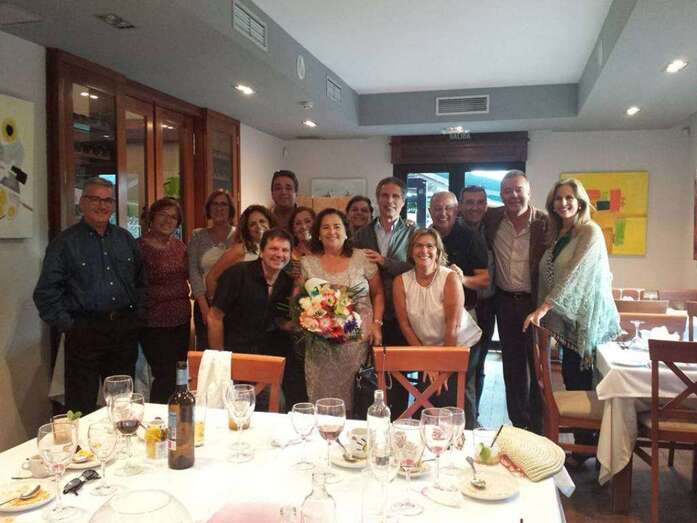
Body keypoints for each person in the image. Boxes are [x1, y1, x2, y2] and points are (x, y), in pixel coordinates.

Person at [523, 178, 620, 463]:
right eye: (558, 198)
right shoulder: (558, 235)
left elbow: (575, 274)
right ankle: (585, 444)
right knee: (572, 378)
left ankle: (598, 448)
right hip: (567, 321)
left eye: (569, 197)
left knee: (587, 381)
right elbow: (550, 275)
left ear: (580, 202)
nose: (563, 203)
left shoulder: (590, 231)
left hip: (587, 322)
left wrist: (544, 308)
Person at [33, 177, 146, 415]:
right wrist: (70, 326)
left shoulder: (125, 239)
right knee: (80, 404)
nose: (102, 205)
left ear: (113, 205)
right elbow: (45, 293)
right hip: (84, 331)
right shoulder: (65, 243)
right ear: (82, 203)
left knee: (122, 404)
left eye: (107, 200)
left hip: (123, 330)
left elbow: (141, 282)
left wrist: (137, 319)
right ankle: (83, 440)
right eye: (95, 199)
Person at [300, 208, 385, 416]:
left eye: (337, 226)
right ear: (318, 234)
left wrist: (376, 324)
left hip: (357, 340)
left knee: (355, 400)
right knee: (322, 406)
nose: (332, 232)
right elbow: (299, 299)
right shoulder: (307, 262)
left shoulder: (362, 258)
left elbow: (378, 294)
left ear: (346, 232)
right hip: (321, 346)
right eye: (325, 227)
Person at [483, 170, 548, 432]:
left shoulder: (545, 223)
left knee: (538, 365)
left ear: (529, 192)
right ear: (501, 195)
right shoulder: (492, 218)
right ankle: (519, 423)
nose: (513, 195)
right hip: (505, 302)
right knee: (512, 366)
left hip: (536, 304)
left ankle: (538, 427)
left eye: (518, 189)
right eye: (507, 190)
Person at [207, 229, 297, 409]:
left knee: (277, 404)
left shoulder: (286, 282)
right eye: (274, 249)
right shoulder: (237, 274)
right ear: (261, 251)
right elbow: (214, 317)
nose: (279, 254)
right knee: (233, 409)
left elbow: (277, 319)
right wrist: (219, 359)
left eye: (285, 250)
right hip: (235, 356)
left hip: (269, 359)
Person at [393, 228, 482, 407]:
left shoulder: (449, 278)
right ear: (411, 251)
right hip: (428, 349)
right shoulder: (400, 282)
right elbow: (405, 325)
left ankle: (466, 424)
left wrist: (443, 368)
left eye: (430, 246)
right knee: (428, 394)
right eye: (418, 245)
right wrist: (426, 361)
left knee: (451, 395)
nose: (424, 250)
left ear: (438, 252)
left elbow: (452, 326)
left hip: (460, 345)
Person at [352, 177, 414, 416]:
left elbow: (417, 268)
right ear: (377, 199)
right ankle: (373, 418)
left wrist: (385, 262)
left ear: (403, 201)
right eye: (385, 196)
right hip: (369, 314)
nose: (390, 201)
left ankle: (399, 419)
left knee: (400, 373)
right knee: (371, 371)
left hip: (402, 313)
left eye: (395, 196)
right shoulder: (361, 234)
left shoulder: (413, 233)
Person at [428, 191, 489, 427]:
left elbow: (484, 280)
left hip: (463, 318)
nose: (442, 213)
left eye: (448, 208)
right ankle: (432, 428)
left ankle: (469, 429)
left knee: (463, 381)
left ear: (457, 211)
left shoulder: (470, 238)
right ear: (430, 211)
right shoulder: (425, 236)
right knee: (432, 376)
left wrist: (461, 279)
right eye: (437, 208)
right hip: (431, 318)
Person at [138, 197, 190, 403]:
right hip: (154, 322)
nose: (168, 220)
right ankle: (159, 414)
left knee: (180, 373)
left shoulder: (180, 246)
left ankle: (178, 410)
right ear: (152, 217)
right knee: (164, 375)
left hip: (181, 319)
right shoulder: (139, 247)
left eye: (173, 217)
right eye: (163, 215)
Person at [460, 185, 497, 427]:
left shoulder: (493, 227)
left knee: (478, 363)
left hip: (488, 305)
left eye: (479, 202)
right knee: (461, 365)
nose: (475, 207)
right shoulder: (454, 230)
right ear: (461, 206)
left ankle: (473, 417)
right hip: (462, 308)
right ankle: (460, 416)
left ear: (486, 205)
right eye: (469, 202)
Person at [188, 189, 236, 350]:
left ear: (230, 209)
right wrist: (204, 307)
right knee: (209, 355)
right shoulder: (198, 236)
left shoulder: (239, 235)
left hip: (234, 303)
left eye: (223, 204)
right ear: (208, 209)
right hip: (206, 302)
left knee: (234, 353)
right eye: (214, 204)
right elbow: (194, 272)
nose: (219, 208)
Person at [205, 204, 275, 301]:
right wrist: (214, 305)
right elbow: (211, 278)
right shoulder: (241, 249)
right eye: (252, 224)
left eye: (262, 221)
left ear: (270, 223)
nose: (258, 226)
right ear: (247, 230)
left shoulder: (276, 250)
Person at [287, 206, 316, 281]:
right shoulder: (288, 255)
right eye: (298, 223)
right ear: (293, 230)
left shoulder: (326, 251)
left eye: (307, 221)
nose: (303, 227)